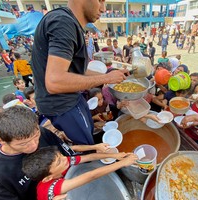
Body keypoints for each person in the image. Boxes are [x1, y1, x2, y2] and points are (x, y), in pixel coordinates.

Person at [31, 0, 128, 145]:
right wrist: (106, 77)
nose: (103, 8)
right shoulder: (63, 23)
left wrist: (109, 75)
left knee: (88, 134)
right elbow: (55, 81)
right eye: (100, 0)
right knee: (86, 146)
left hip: (70, 100)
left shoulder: (70, 23)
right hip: (63, 105)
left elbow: (78, 71)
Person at [0, 106, 109, 200]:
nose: (33, 146)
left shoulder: (43, 132)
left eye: (36, 136)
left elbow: (68, 156)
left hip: (73, 187)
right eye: (23, 144)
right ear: (1, 140)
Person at [22, 146, 137, 200]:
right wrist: (122, 163)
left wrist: (114, 155)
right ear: (47, 178)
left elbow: (88, 157)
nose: (65, 159)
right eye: (59, 162)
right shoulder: (53, 187)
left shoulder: (63, 161)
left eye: (61, 156)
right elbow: (91, 175)